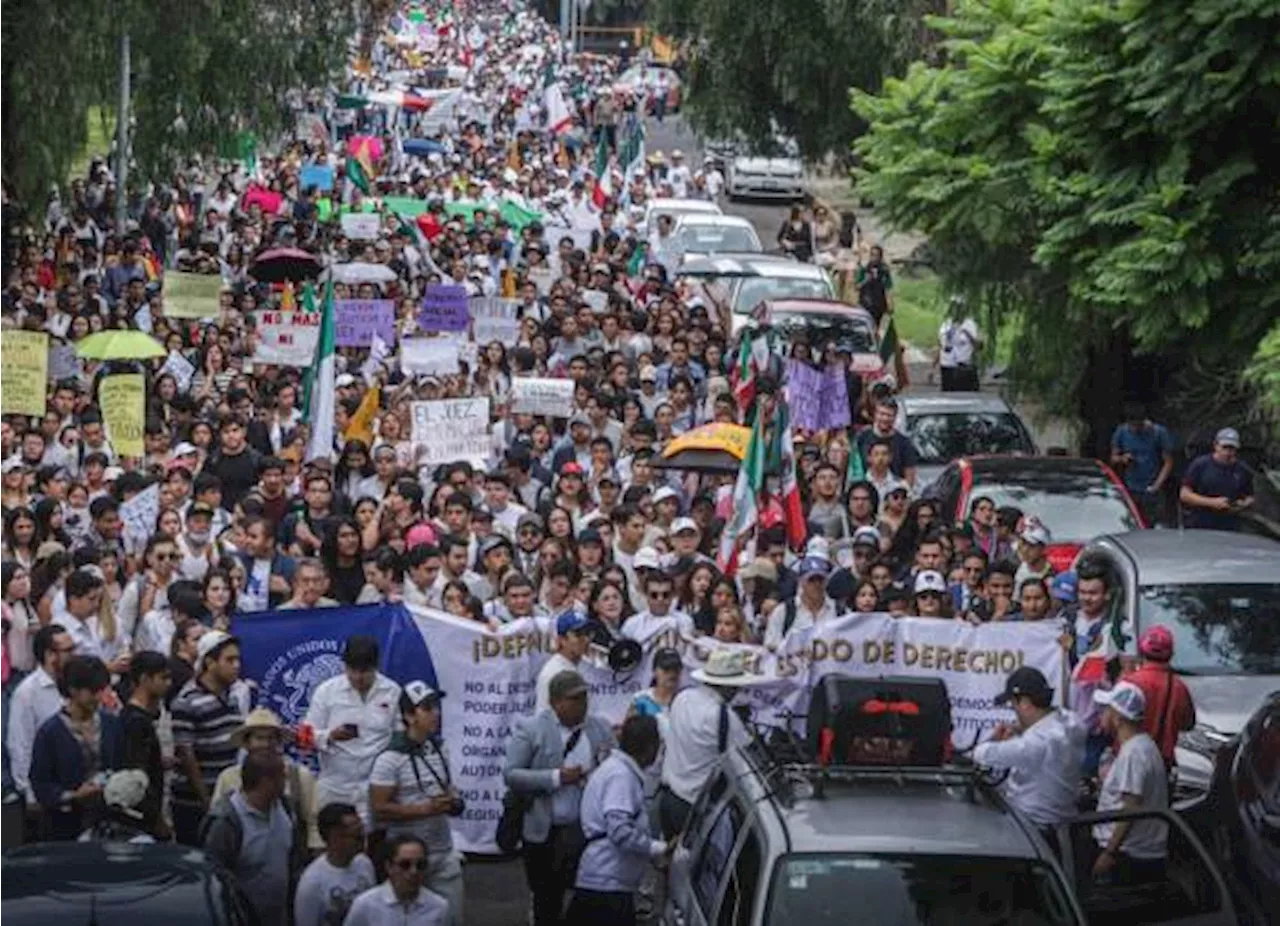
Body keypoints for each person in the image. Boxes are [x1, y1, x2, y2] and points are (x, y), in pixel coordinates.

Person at [504, 670, 616, 926]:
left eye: (584, 697)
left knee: (587, 895)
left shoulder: (599, 728)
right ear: (556, 702)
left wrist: (595, 778)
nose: (582, 704)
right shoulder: (532, 729)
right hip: (545, 832)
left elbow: (613, 765)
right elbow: (511, 774)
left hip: (584, 830)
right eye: (574, 699)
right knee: (547, 899)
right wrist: (555, 778)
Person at [369, 681, 464, 924]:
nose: (435, 712)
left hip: (442, 850)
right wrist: (424, 809)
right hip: (406, 859)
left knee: (451, 917)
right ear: (409, 716)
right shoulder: (390, 758)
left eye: (435, 706)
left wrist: (452, 800)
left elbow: (446, 787)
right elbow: (379, 810)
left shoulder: (440, 748)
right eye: (427, 708)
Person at [568, 714, 669, 926]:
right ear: (650, 747)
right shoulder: (620, 777)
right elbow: (620, 831)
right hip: (606, 888)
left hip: (607, 884)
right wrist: (656, 848)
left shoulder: (618, 771)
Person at [973, 667, 1086, 844]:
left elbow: (983, 754)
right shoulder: (1072, 724)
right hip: (1063, 827)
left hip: (1036, 832)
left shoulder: (1037, 742)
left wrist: (995, 739)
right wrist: (1024, 727)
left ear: (1025, 703)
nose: (1014, 712)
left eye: (1014, 705)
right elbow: (1056, 721)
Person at [304, 634, 403, 826]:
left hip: (377, 789)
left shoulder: (392, 691)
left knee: (376, 846)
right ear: (344, 666)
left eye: (365, 671)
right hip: (336, 787)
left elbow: (399, 738)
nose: (358, 677)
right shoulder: (326, 692)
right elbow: (305, 735)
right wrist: (330, 736)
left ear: (376, 666)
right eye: (352, 670)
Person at [659, 649, 756, 839]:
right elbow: (748, 752)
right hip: (694, 808)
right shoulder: (723, 716)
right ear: (728, 686)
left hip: (668, 799)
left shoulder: (682, 697)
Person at [29, 655, 123, 839]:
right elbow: (41, 783)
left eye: (101, 690)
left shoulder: (110, 724)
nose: (98, 697)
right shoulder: (50, 732)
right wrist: (73, 796)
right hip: (65, 828)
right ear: (73, 690)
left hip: (107, 822)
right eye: (92, 691)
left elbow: (120, 763)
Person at [202, 751, 296, 926]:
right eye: (282, 777)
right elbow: (215, 876)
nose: (286, 782)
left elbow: (293, 861)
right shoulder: (227, 822)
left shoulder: (285, 809)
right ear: (266, 782)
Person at [170, 629, 245, 846]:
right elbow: (187, 754)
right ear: (210, 663)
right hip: (194, 804)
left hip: (226, 797)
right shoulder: (187, 701)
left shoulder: (231, 696)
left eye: (238, 659)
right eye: (229, 660)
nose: (237, 665)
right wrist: (207, 802)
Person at [212, 707, 322, 854]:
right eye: (259, 738)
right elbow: (217, 819)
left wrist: (313, 854)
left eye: (271, 738)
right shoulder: (229, 777)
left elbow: (313, 821)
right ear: (247, 743)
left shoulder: (300, 776)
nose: (265, 744)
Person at [1091, 682, 1169, 884]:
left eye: (1105, 710)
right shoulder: (1143, 746)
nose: (1101, 715)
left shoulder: (1133, 754)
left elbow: (1130, 807)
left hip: (1129, 857)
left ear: (1118, 717)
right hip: (1133, 853)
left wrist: (1109, 853)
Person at [6, 623, 73, 809]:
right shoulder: (27, 693)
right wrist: (29, 793)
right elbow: (20, 744)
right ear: (50, 655)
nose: (73, 655)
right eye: (68, 650)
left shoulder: (74, 683)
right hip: (45, 788)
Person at [1121, 626, 1195, 769]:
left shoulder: (1129, 683)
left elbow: (1108, 725)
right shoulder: (1179, 687)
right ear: (1171, 654)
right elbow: (1188, 724)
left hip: (1128, 762)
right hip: (1161, 764)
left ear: (1141, 651)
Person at [293, 801, 376, 926]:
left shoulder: (365, 864)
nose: (363, 842)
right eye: (357, 836)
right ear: (335, 837)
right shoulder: (312, 883)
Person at [119, 649, 172, 837]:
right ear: (144, 679)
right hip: (142, 819)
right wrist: (156, 818)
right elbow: (138, 775)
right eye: (162, 678)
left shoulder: (143, 718)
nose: (168, 683)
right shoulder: (136, 722)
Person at [344, 834, 451, 926]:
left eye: (420, 865)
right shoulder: (365, 905)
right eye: (405, 865)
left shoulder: (439, 907)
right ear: (389, 867)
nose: (413, 871)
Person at [1110, 404, 1175, 525]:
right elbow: (1113, 458)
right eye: (1132, 426)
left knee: (1154, 521)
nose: (1135, 429)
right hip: (1131, 486)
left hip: (1152, 485)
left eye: (1138, 425)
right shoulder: (1121, 432)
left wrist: (1157, 485)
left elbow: (1168, 462)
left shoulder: (1159, 433)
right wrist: (1122, 459)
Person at [1179, 427, 1254, 529]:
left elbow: (1250, 496)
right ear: (1216, 445)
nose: (1228, 452)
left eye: (1231, 448)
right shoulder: (1200, 465)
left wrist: (1242, 504)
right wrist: (1212, 503)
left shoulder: (1242, 470)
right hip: (1200, 523)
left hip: (1230, 524)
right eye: (1224, 447)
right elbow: (1184, 494)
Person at [535, 610, 594, 715]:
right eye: (578, 634)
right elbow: (544, 718)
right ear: (562, 640)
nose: (585, 639)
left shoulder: (585, 665)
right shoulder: (553, 672)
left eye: (587, 633)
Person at [935, 299, 982, 392]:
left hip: (964, 366)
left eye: (959, 308)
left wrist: (967, 334)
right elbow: (941, 345)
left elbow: (979, 345)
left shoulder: (970, 324)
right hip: (947, 365)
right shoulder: (946, 324)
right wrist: (933, 366)